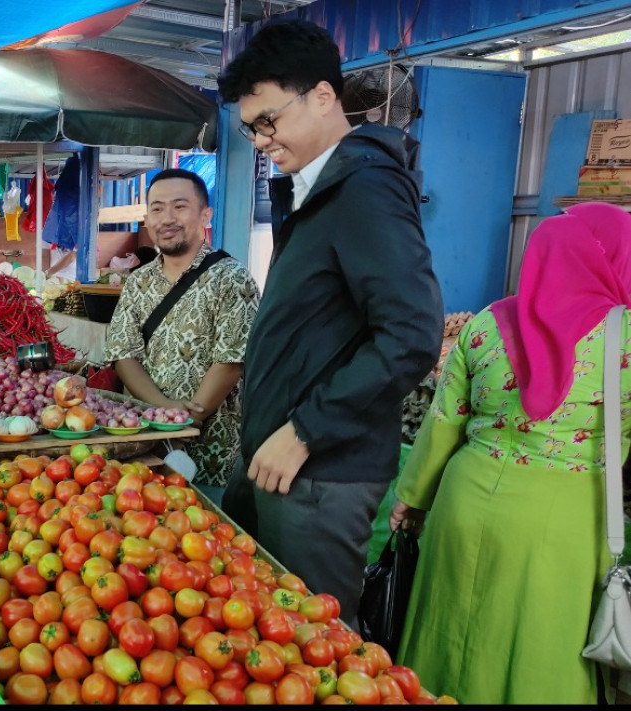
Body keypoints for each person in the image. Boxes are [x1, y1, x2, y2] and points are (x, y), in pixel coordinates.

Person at [217, 18, 443, 630]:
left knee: (312, 649)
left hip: (320, 475)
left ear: (322, 96)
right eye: (250, 128)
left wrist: (305, 430)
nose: (260, 140)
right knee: (263, 635)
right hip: (282, 459)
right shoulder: (315, 190)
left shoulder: (365, 187)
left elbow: (412, 335)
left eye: (269, 121)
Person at [390, 203, 630, 704]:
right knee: (540, 638)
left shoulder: (484, 325)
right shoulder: (624, 336)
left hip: (464, 499)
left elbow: (443, 422)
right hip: (563, 512)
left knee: (447, 621)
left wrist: (412, 497)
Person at [103, 169, 259, 500]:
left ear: (205, 214)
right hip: (144, 444)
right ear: (147, 219)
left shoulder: (232, 279)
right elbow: (122, 353)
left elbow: (232, 361)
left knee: (203, 539)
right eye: (157, 208)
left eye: (180, 206)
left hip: (210, 453)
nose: (167, 218)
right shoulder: (137, 282)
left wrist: (188, 417)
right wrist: (165, 412)